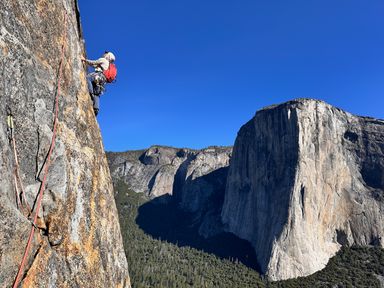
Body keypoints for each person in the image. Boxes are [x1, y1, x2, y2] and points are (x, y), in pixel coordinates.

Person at [81, 51, 116, 116]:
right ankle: (96, 108)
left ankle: (90, 93)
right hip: (103, 81)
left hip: (99, 76)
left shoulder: (103, 60)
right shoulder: (109, 65)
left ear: (107, 56)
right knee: (97, 94)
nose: (104, 55)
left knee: (88, 77)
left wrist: (84, 60)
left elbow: (93, 63)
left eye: (105, 54)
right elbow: (95, 65)